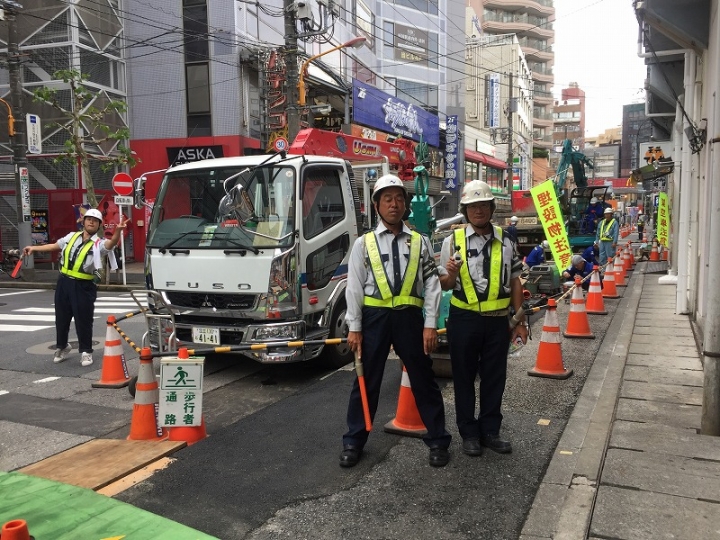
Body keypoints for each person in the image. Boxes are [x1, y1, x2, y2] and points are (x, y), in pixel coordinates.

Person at [340, 174, 451, 468]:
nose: (394, 203)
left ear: (406, 205)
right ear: (377, 205)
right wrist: (354, 328)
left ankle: (438, 440)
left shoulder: (420, 242)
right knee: (366, 380)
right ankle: (353, 441)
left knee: (423, 379)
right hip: (374, 320)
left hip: (410, 320)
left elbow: (431, 285)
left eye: (399, 198)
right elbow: (354, 286)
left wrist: (430, 324)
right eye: (387, 198)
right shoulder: (364, 244)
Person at [439, 180, 528, 456]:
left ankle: (490, 431)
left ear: (491, 208)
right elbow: (444, 284)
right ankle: (469, 434)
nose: (479, 210)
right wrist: (451, 273)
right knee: (464, 377)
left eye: (483, 205)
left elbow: (515, 281)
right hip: (463, 319)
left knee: (494, 377)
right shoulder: (451, 241)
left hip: (498, 320)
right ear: (466, 210)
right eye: (473, 206)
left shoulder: (507, 239)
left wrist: (520, 321)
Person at [23, 209, 128, 367]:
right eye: (88, 219)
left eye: (95, 220)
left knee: (83, 320)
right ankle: (62, 347)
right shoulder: (71, 236)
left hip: (84, 286)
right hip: (63, 283)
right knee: (61, 318)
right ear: (83, 221)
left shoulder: (98, 244)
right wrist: (33, 248)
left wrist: (117, 232)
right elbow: (54, 246)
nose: (91, 222)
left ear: (99, 225)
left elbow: (110, 244)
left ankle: (86, 351)